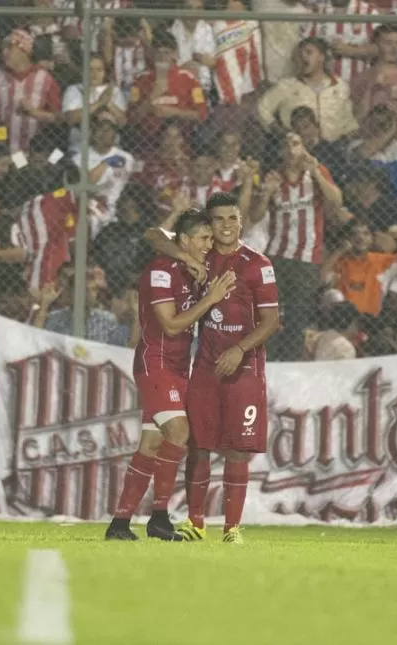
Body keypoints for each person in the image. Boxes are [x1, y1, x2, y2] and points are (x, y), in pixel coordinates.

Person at [144, 191, 281, 543]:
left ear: (241, 221)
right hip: (205, 366)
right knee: (199, 446)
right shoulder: (198, 254)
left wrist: (239, 348)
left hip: (245, 368)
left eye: (232, 219)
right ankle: (196, 523)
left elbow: (271, 321)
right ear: (209, 224)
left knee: (237, 449)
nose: (225, 226)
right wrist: (182, 256)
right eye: (218, 219)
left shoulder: (257, 264)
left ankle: (232, 528)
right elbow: (152, 235)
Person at [105, 209, 236, 541]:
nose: (210, 244)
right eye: (204, 238)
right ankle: (159, 517)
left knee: (151, 444)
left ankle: (119, 524)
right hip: (156, 363)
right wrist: (210, 299)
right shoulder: (161, 272)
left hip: (179, 368)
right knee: (179, 433)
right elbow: (171, 324)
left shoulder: (194, 270)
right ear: (186, 240)